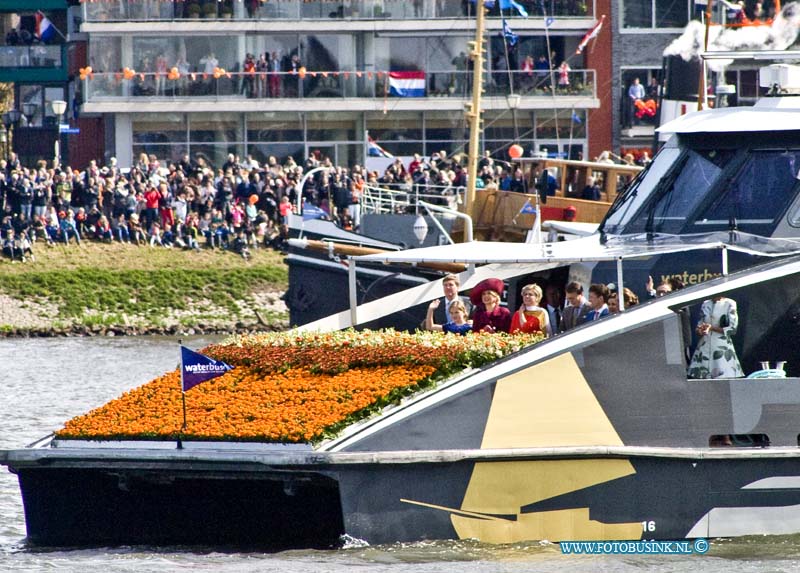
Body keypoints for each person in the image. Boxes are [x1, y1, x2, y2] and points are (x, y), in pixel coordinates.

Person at [687, 295, 744, 379]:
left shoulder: (730, 303)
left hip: (721, 348)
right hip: (705, 346)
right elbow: (699, 325)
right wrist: (700, 330)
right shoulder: (705, 304)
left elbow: (732, 329)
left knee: (723, 377)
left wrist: (712, 328)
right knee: (701, 378)